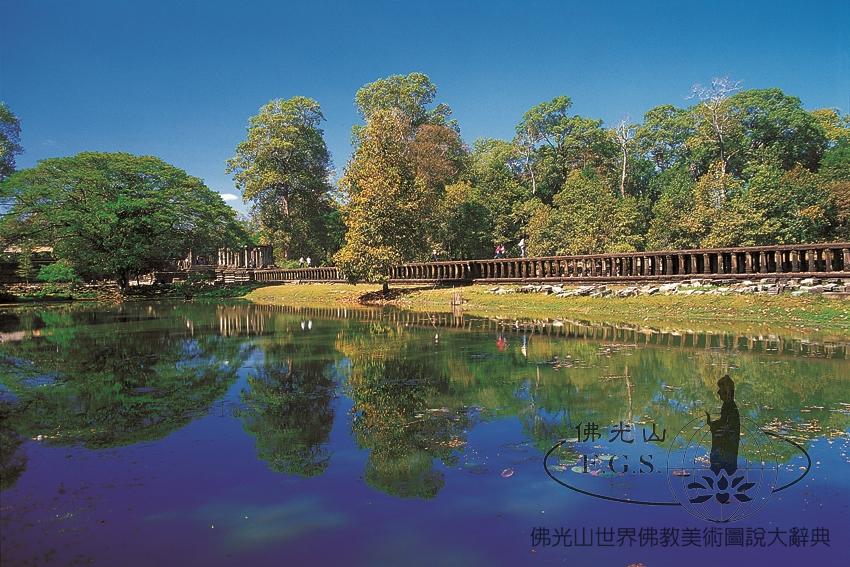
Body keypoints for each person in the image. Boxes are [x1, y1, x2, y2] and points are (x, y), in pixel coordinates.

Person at [706, 374, 740, 476]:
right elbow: (723, 421)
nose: (718, 392)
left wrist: (715, 427)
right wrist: (714, 424)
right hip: (727, 443)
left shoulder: (731, 406)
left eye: (720, 390)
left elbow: (729, 426)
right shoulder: (727, 405)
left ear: (727, 392)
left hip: (729, 446)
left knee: (724, 468)